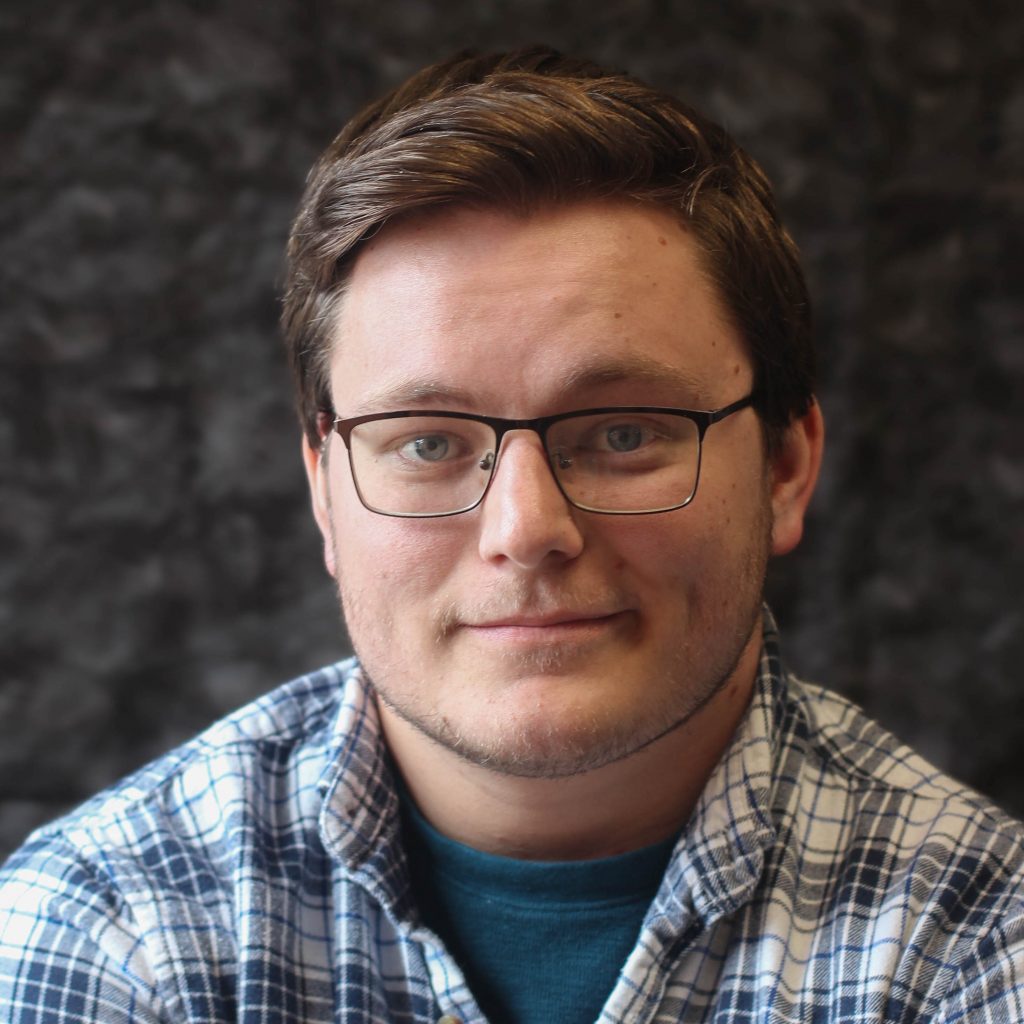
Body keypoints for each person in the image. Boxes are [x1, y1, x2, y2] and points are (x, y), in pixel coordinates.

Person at [2, 46, 1022, 1024]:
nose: (527, 530)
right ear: (324, 493)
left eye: (624, 434)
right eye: (427, 442)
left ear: (785, 469)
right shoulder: (106, 930)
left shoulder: (978, 945)